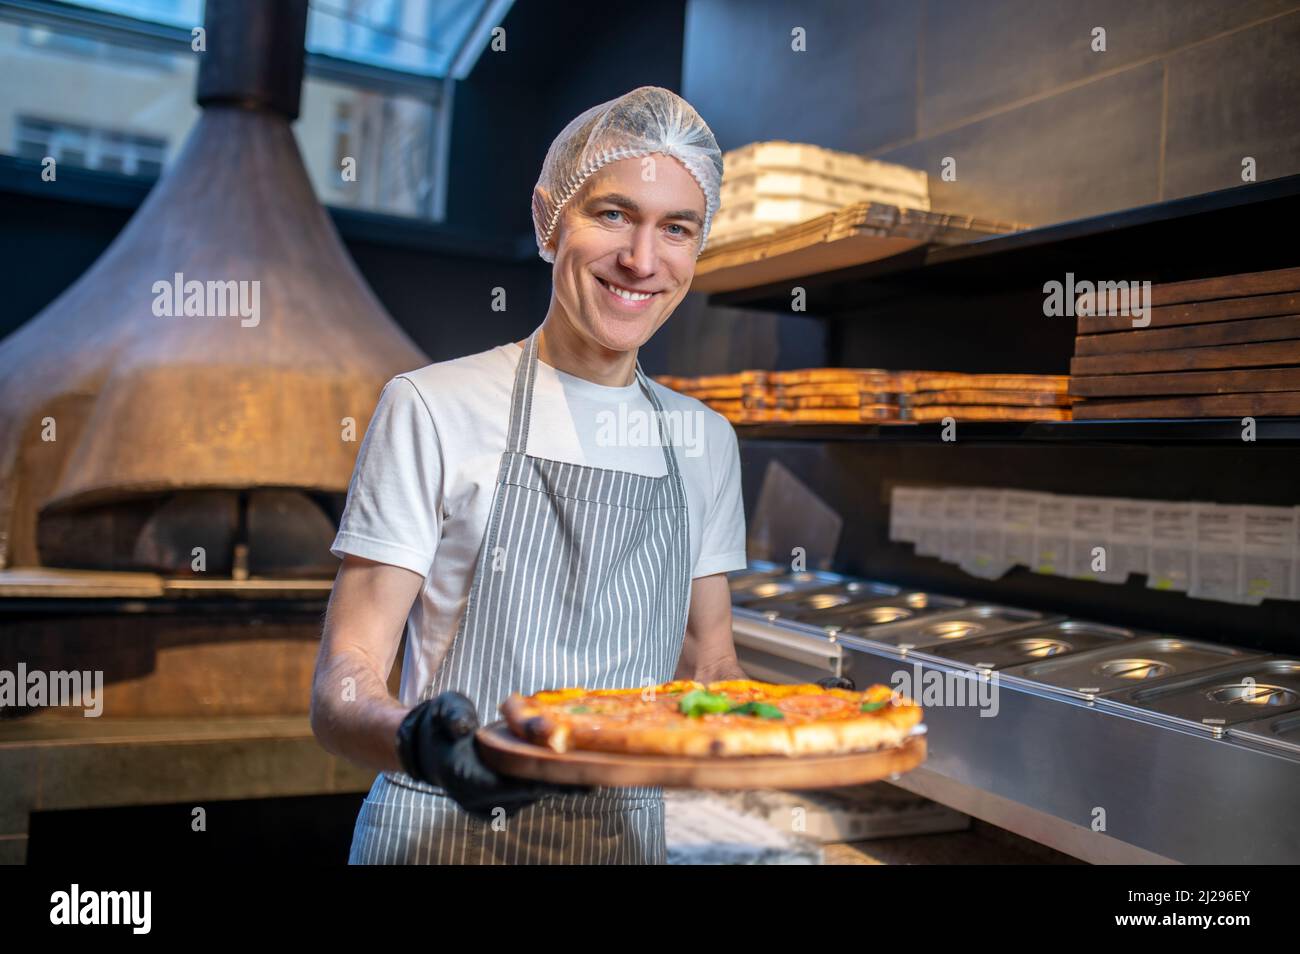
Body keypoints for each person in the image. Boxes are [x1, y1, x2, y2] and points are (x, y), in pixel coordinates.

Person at [310, 86, 753, 864]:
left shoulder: (704, 440)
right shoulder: (431, 406)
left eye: (675, 229)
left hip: (623, 846)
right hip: (437, 841)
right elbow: (340, 689)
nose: (642, 261)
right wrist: (423, 744)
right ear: (551, 219)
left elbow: (709, 668)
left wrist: (794, 726)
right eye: (613, 214)